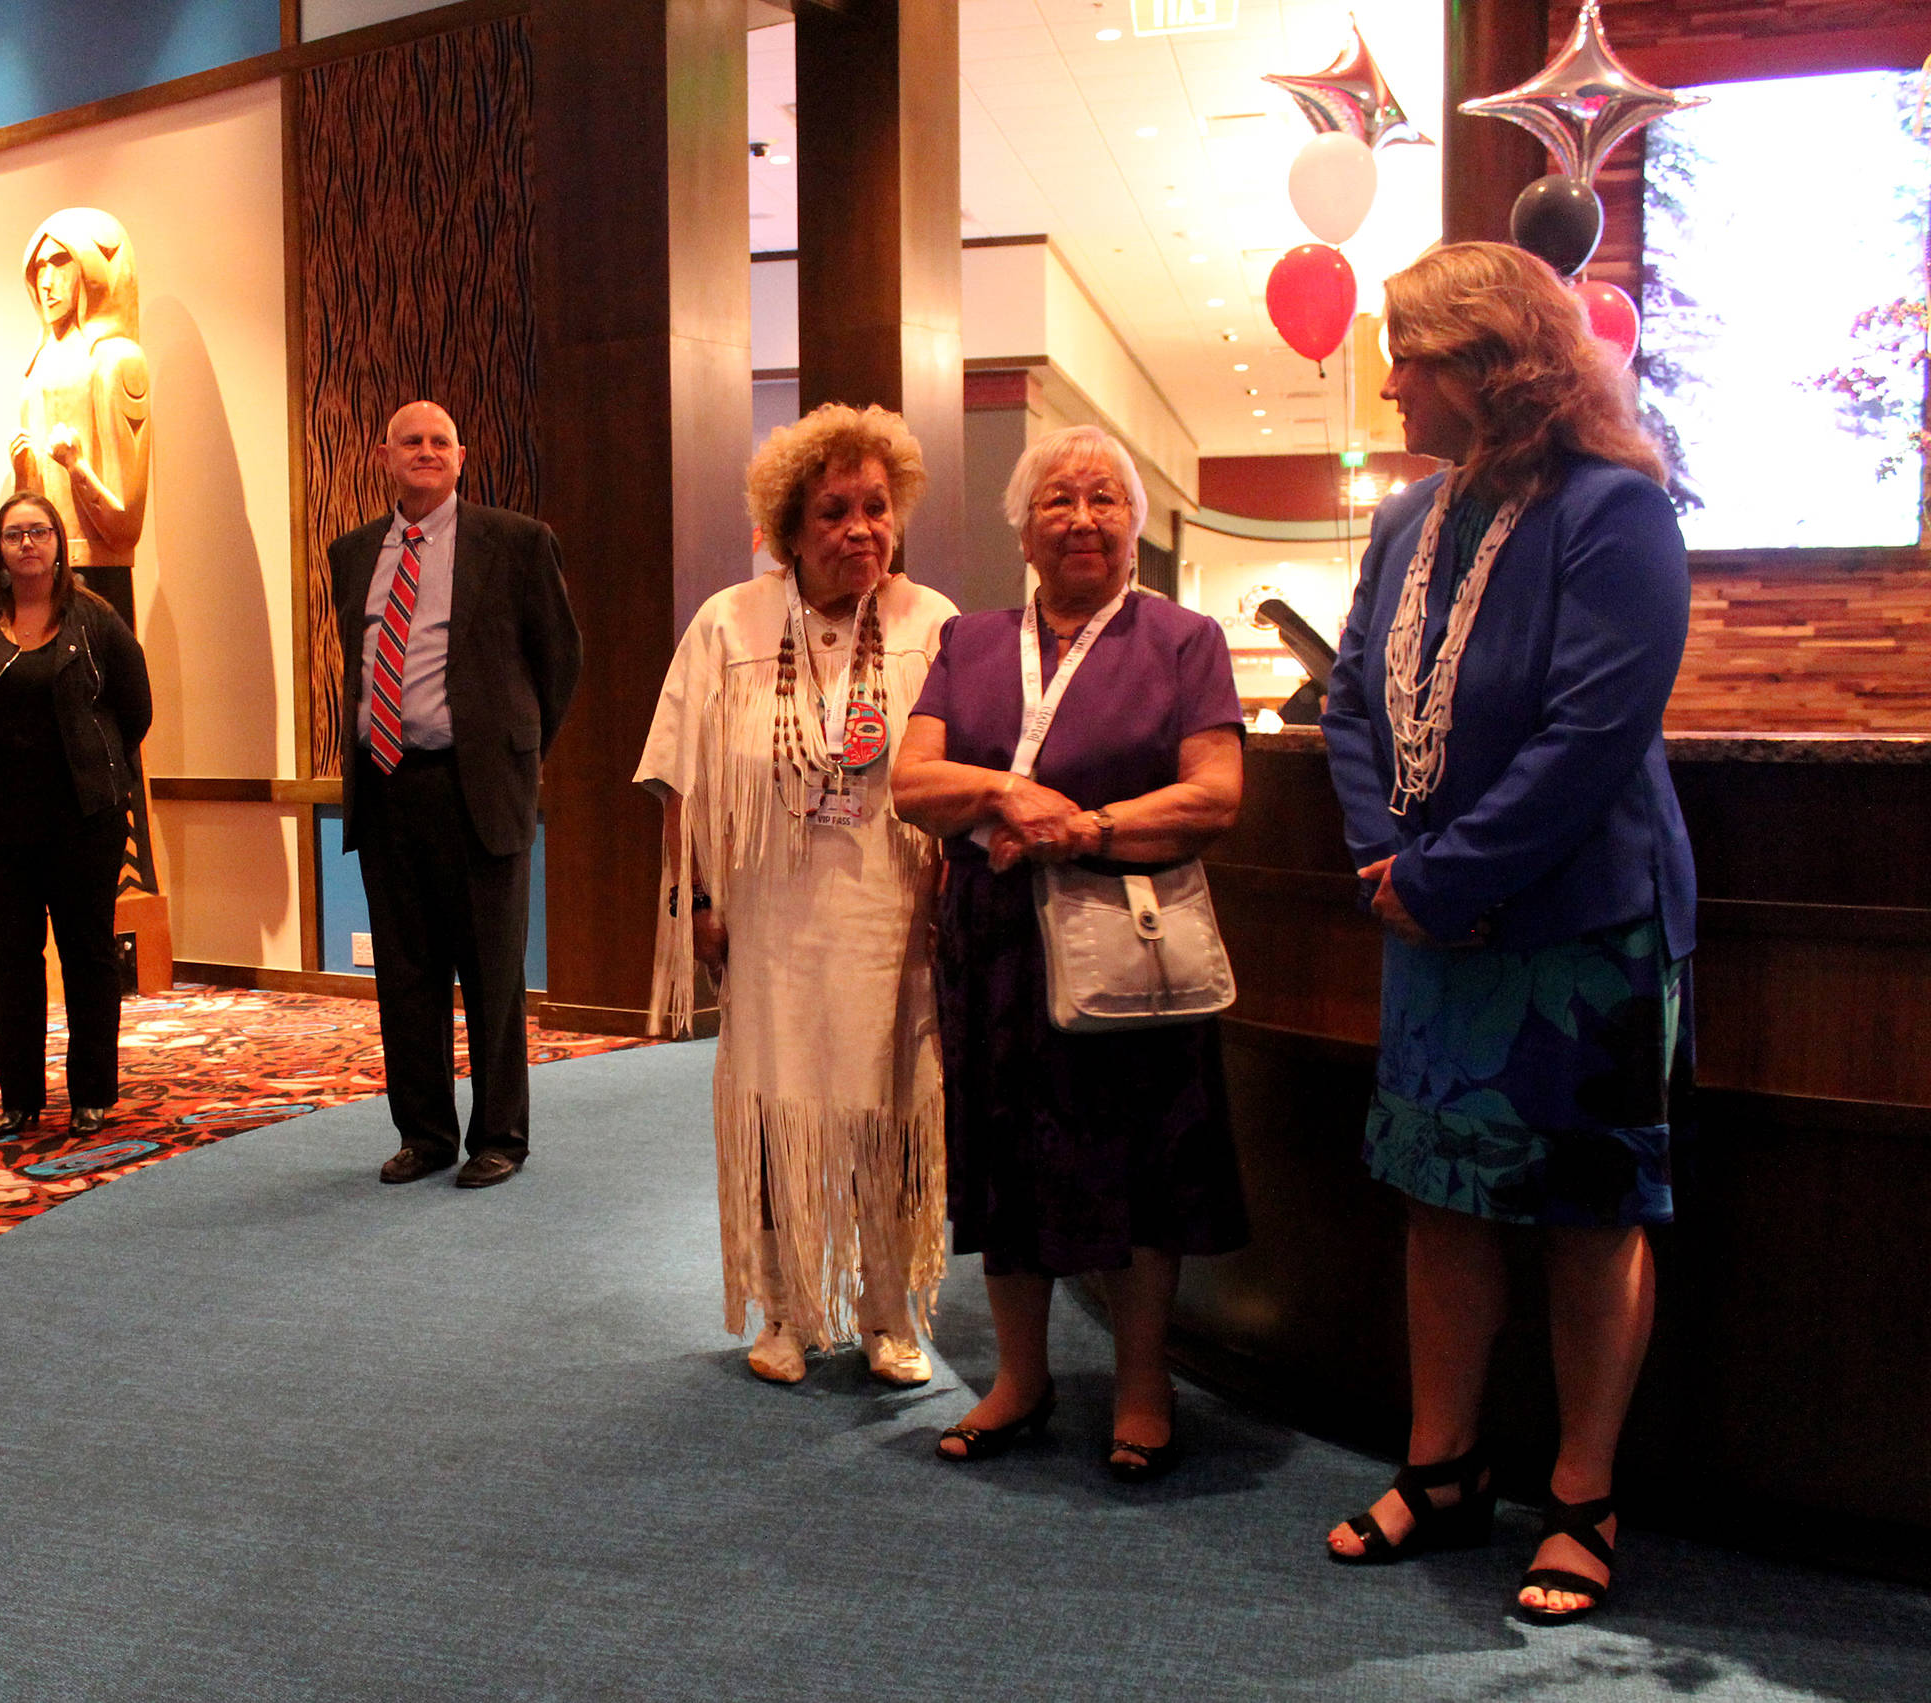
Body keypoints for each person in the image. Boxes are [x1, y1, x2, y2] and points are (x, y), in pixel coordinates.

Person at [1317, 242, 1695, 1625]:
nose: (1390, 384)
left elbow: (1593, 734)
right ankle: (1445, 1468)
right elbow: (1347, 695)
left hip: (1580, 925)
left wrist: (1446, 874)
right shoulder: (1403, 519)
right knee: (1441, 1199)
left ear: (1492, 364)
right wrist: (1386, 854)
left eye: (1408, 356)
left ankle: (1581, 1497)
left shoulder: (1616, 510)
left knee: (1590, 1216)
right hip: (1427, 913)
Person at [891, 424, 1248, 1480]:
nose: (1082, 518)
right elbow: (911, 782)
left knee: (1142, 1163)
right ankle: (1019, 1377)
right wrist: (1006, 791)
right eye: (1057, 499)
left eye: (1104, 499)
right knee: (1004, 1161)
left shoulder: (1183, 640)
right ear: (1022, 527)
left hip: (1128, 942)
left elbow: (1216, 794)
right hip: (995, 947)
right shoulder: (968, 643)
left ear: (1134, 524)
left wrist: (1082, 828)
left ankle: (1142, 1385)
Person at [635, 403, 957, 1387]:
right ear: (787, 527)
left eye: (876, 507)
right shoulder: (727, 623)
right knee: (776, 1104)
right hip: (769, 915)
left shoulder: (933, 622)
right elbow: (682, 782)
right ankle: (784, 1308)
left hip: (890, 914)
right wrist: (695, 902)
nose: (860, 529)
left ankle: (887, 1309)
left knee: (891, 1104)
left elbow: (966, 774)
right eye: (833, 512)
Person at [331, 401, 581, 1188]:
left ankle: (500, 1135)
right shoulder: (352, 553)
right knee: (405, 976)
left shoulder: (517, 542)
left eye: (441, 441)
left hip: (476, 788)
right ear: (385, 456)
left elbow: (559, 661)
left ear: (461, 457)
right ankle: (426, 1134)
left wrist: (513, 750)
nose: (427, 451)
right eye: (411, 441)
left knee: (492, 975)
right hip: (385, 788)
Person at [0, 492, 152, 1136]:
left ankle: (91, 1092)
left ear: (58, 544)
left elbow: (135, 709)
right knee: (12, 962)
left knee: (88, 956)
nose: (27, 543)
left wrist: (96, 770)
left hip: (83, 822)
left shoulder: (95, 620)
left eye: (38, 532)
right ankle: (20, 1098)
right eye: (14, 535)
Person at [10, 208, 150, 624]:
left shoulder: (116, 362)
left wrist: (76, 466)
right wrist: (24, 476)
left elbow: (125, 528)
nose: (46, 282)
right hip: (42, 574)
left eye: (59, 263)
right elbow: (33, 508)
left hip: (100, 577)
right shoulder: (35, 372)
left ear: (91, 269)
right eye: (39, 268)